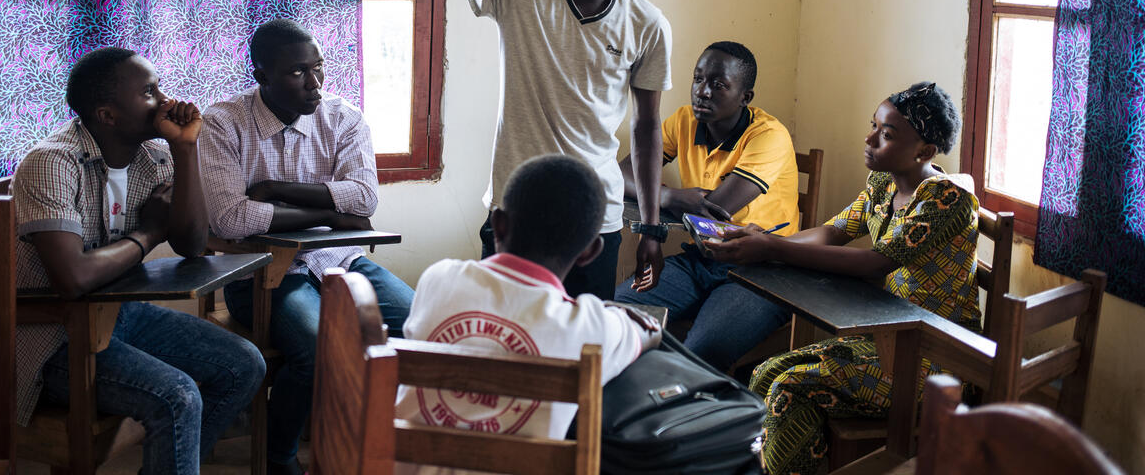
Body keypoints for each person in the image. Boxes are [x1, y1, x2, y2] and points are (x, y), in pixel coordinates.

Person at [268, 0, 673, 299]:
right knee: (496, 345)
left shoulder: (646, 24)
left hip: (594, 218)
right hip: (515, 214)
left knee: (580, 353)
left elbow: (647, 127)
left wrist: (651, 227)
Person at [0, 48, 266, 475]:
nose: (165, 101)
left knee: (243, 363)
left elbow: (192, 245)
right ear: (107, 115)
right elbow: (73, 279)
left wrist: (185, 150)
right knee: (177, 394)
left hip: (108, 316)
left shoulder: (152, 157)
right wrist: (148, 233)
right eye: (148, 91)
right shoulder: (52, 162)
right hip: (42, 337)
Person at [706, 82, 980, 475]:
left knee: (789, 389)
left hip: (934, 360)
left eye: (885, 135)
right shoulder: (883, 185)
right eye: (873, 126)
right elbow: (833, 232)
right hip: (887, 338)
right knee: (763, 373)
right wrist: (761, 240)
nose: (869, 139)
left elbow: (873, 263)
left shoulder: (946, 200)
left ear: (924, 151)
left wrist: (772, 249)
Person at [199, 18, 415, 475]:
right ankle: (279, 458)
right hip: (258, 273)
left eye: (319, 68)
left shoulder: (344, 117)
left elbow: (365, 197)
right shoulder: (223, 123)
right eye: (298, 72)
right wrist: (330, 213)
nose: (314, 84)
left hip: (341, 260)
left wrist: (275, 188)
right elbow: (232, 218)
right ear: (261, 74)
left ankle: (378, 442)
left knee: (419, 325)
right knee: (318, 348)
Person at [393, 154, 662, 474]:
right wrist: (609, 313)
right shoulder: (591, 327)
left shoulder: (439, 279)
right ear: (590, 252)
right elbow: (649, 332)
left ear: (498, 225)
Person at [613, 41, 799, 369]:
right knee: (615, 315)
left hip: (763, 272)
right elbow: (623, 174)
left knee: (698, 354)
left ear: (745, 97)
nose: (703, 92)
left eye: (718, 85)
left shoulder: (769, 135)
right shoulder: (684, 120)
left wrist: (657, 194)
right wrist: (670, 196)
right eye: (698, 79)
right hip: (702, 258)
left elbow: (712, 212)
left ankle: (689, 411)